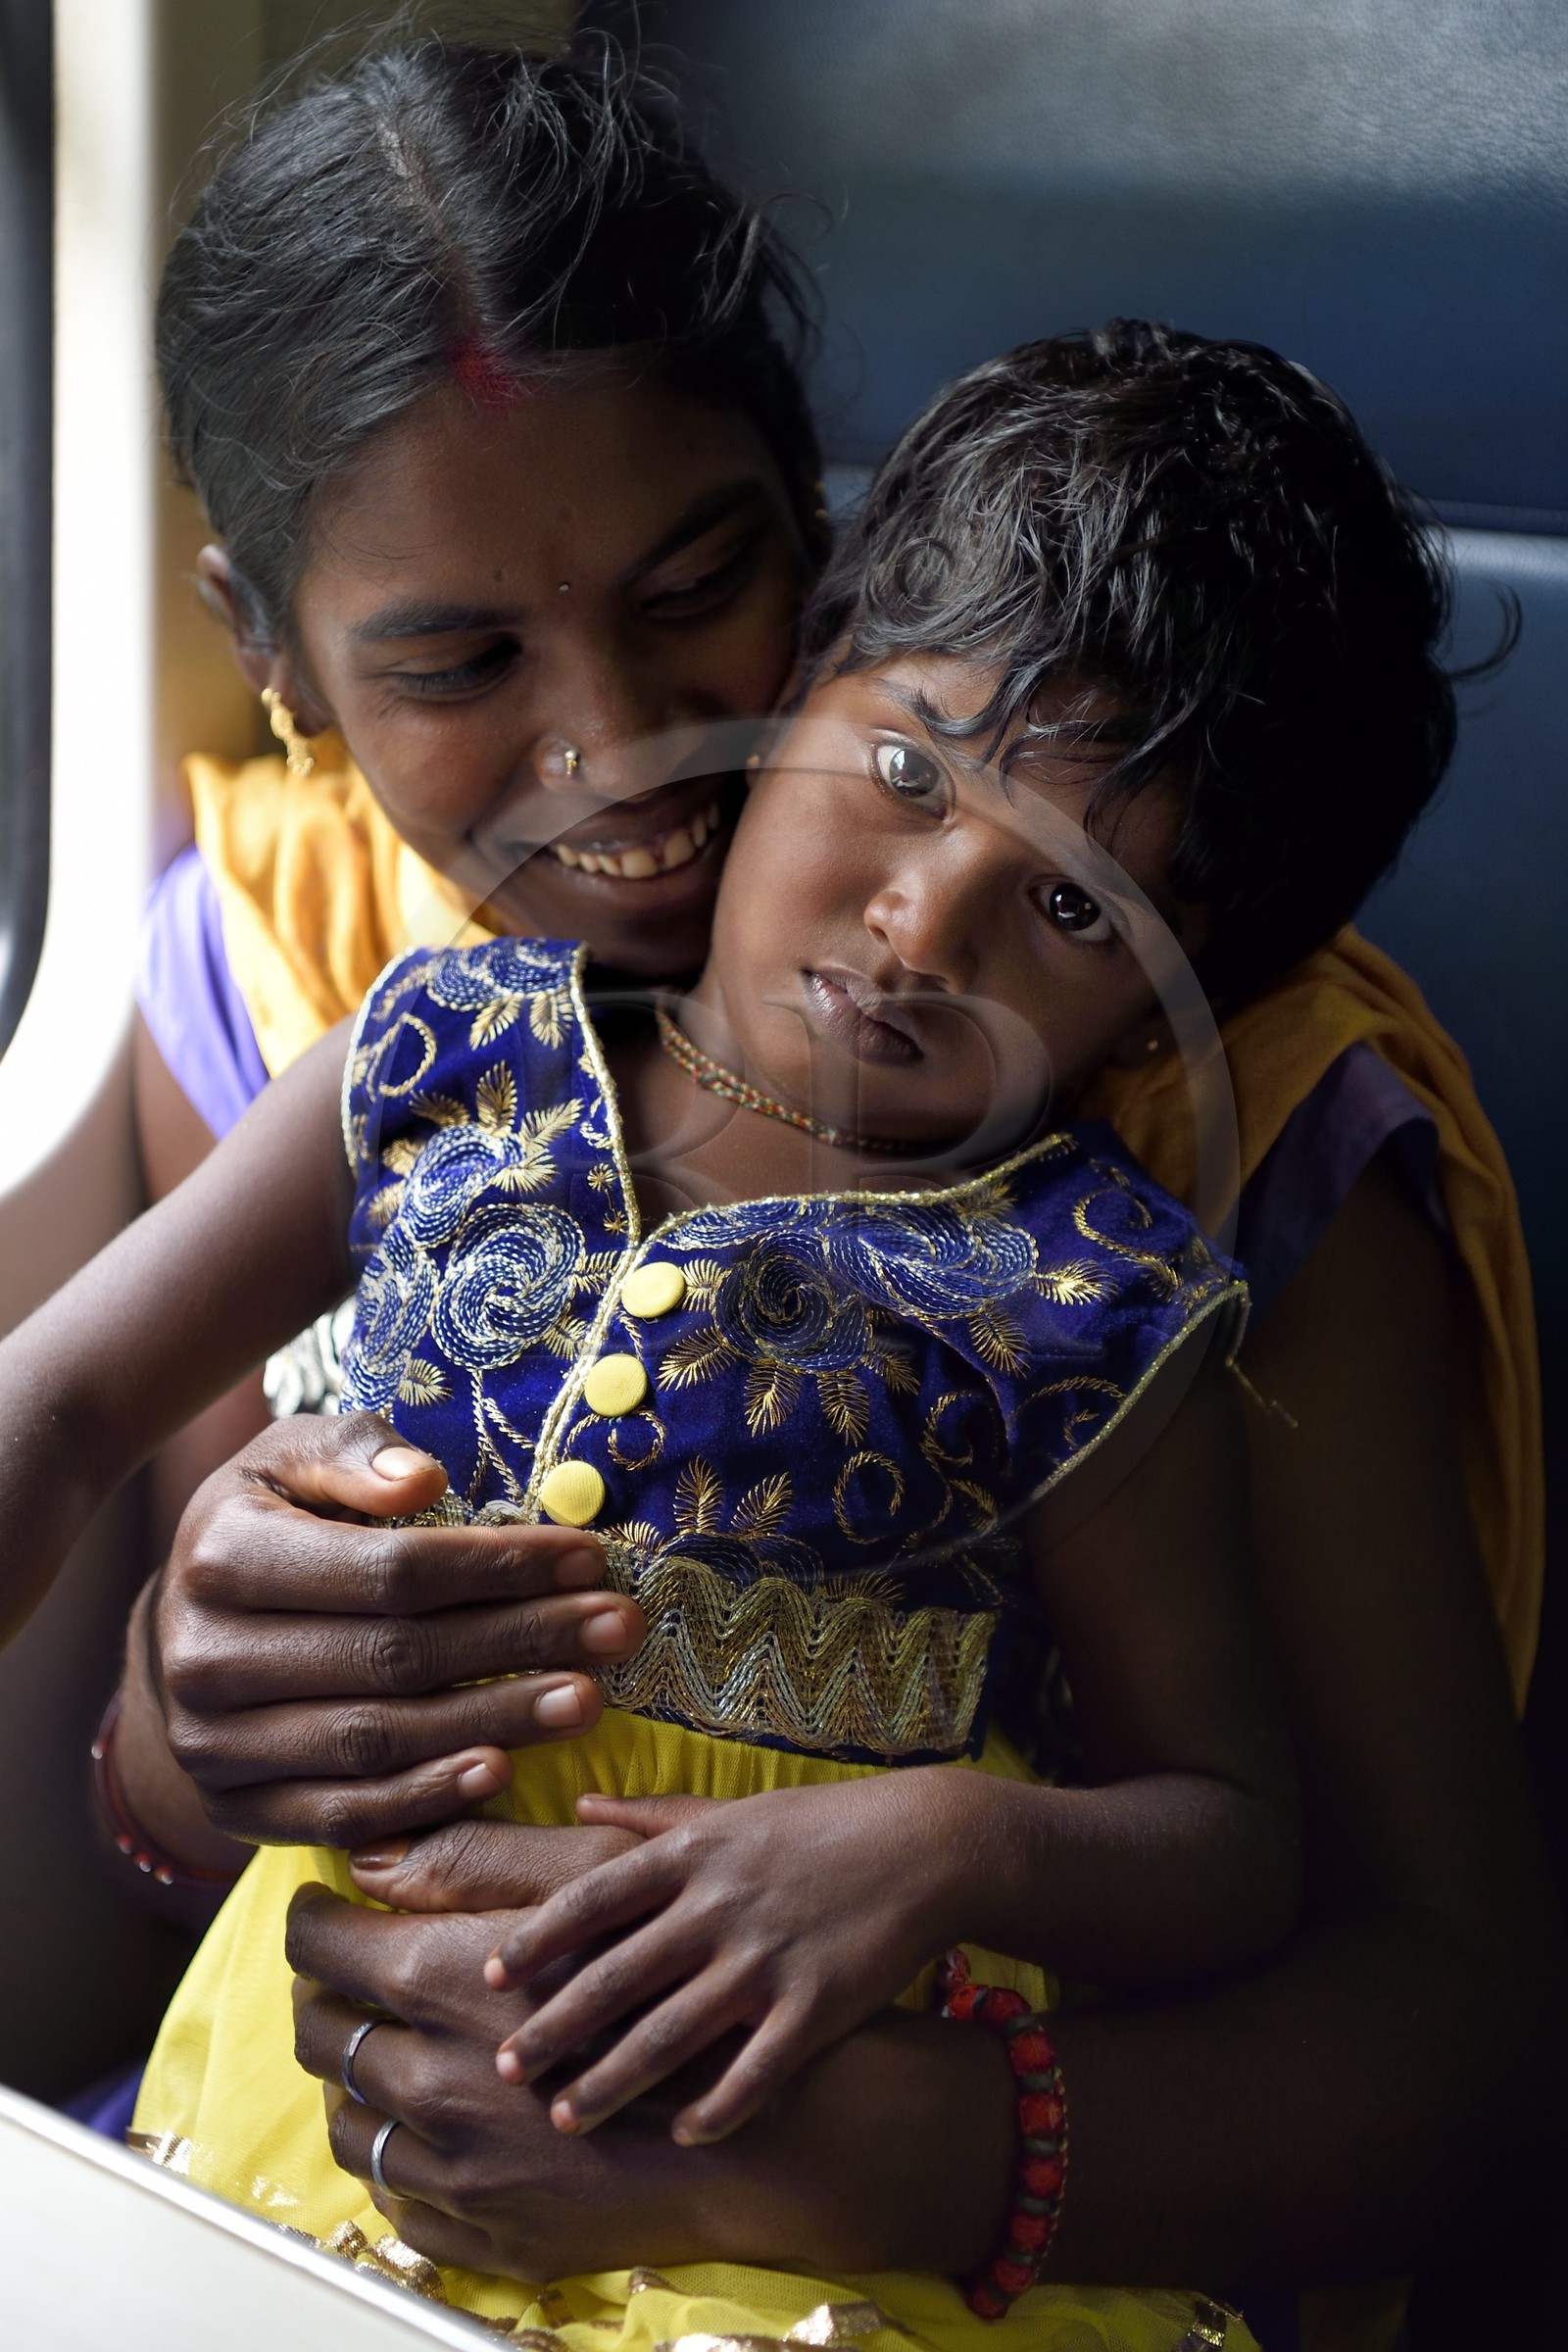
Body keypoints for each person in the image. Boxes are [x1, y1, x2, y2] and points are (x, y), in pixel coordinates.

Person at [90, 35, 1556, 2352]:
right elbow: (166, 1827)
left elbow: (1448, 2035)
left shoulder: (1202, 1147)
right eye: (457, 660)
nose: (616, 763)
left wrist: (864, 2150)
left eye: (696, 589)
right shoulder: (331, 989)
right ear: (272, 652)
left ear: (816, 528)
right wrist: (183, 1713)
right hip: (314, 2172)